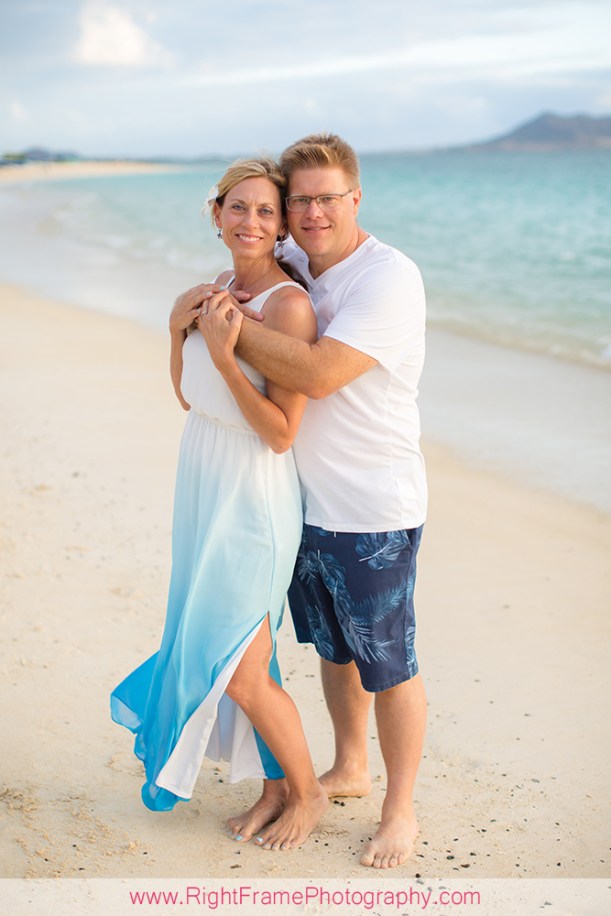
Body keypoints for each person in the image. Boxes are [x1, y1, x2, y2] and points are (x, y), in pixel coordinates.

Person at [199, 134, 427, 870]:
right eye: (300, 200)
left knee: (387, 663)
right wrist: (199, 305)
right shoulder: (296, 267)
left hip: (373, 506)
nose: (312, 212)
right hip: (301, 500)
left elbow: (322, 374)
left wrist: (226, 333)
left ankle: (399, 810)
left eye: (327, 198)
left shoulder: (386, 277)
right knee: (333, 650)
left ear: (355, 198)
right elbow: (242, 283)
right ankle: (350, 765)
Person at [110, 157, 327, 852]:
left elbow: (280, 431)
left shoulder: (289, 307)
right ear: (216, 214)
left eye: (267, 212)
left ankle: (308, 794)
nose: (252, 222)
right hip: (201, 476)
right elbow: (184, 394)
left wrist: (230, 355)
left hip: (252, 492)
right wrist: (177, 329)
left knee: (235, 661)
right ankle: (274, 788)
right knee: (246, 659)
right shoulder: (212, 292)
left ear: (282, 223)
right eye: (239, 207)